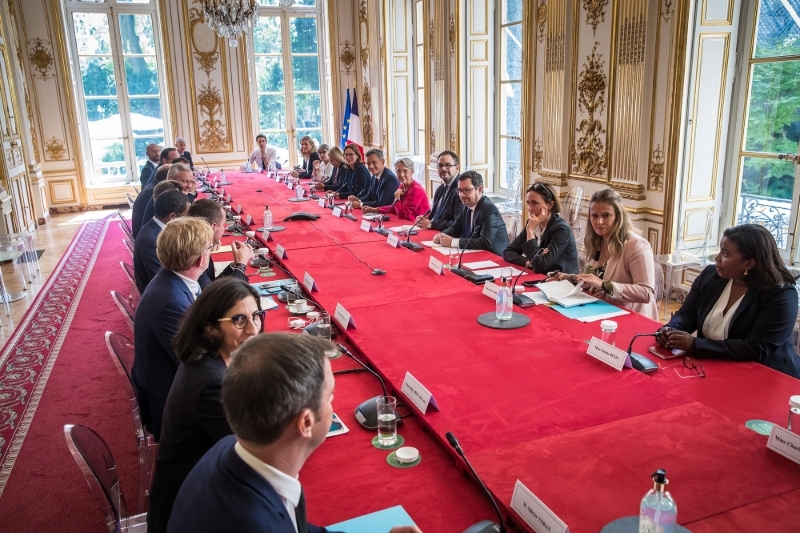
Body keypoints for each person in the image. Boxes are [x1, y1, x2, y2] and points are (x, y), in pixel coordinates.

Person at [168, 333, 421, 533]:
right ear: (306, 422)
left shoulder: (228, 447)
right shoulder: (254, 523)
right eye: (330, 397)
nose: (334, 403)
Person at [147, 279, 264, 533]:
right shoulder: (210, 384)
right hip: (187, 515)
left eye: (256, 316)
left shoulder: (208, 359)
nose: (254, 329)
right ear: (211, 330)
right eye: (239, 320)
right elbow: (257, 450)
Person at [658, 224, 800, 378]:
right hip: (712, 367)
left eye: (725, 254)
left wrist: (695, 344)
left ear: (749, 263)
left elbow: (756, 347)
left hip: (765, 375)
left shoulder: (781, 295)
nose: (717, 258)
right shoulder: (711, 275)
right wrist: (671, 330)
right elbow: (687, 315)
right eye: (720, 250)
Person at [132, 217, 215, 442]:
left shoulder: (173, 281)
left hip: (170, 383)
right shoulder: (171, 301)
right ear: (201, 258)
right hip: (170, 407)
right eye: (210, 247)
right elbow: (196, 362)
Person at [551, 188, 658, 320]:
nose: (599, 221)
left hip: (631, 318)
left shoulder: (637, 245)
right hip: (601, 311)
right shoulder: (595, 241)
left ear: (618, 216)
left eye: (606, 215)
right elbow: (595, 280)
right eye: (594, 216)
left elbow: (646, 293)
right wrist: (572, 278)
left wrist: (602, 284)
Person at [503, 182, 579, 274]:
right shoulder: (532, 223)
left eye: (534, 203)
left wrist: (530, 231)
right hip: (543, 279)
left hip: (562, 283)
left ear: (550, 205)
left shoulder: (561, 229)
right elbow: (508, 252)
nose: (530, 208)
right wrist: (529, 262)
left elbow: (540, 266)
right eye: (528, 203)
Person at [433, 171, 509, 255]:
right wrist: (443, 235)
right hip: (473, 253)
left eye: (467, 190)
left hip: (494, 258)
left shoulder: (488, 209)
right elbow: (456, 228)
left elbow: (485, 242)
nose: (461, 195)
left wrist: (453, 242)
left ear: (479, 189)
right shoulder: (465, 205)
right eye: (459, 191)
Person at [134, 189, 191, 293]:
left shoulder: (153, 227)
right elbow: (163, 282)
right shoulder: (153, 241)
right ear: (172, 216)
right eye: (185, 216)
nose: (187, 220)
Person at [188, 199, 253, 289]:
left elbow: (212, 286)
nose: (224, 229)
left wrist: (235, 265)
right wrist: (241, 265)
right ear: (213, 226)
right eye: (223, 225)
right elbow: (217, 298)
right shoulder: (196, 252)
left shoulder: (198, 242)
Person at [363, 158, 429, 221]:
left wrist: (397, 197)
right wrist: (375, 209)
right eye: (398, 171)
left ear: (412, 171)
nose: (401, 174)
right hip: (405, 223)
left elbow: (402, 214)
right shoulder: (401, 186)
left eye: (405, 171)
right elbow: (395, 207)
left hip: (417, 226)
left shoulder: (416, 190)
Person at [415, 151, 462, 231]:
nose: (443, 169)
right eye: (440, 165)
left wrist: (431, 224)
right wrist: (424, 220)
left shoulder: (461, 190)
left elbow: (457, 224)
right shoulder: (439, 189)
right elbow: (437, 216)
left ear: (457, 168)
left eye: (447, 165)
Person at [142, 163, 196, 228]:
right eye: (185, 181)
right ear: (171, 178)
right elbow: (184, 209)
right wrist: (191, 194)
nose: (189, 186)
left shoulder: (165, 189)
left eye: (191, 182)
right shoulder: (165, 193)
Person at [132, 164, 171, 238]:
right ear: (167, 177)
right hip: (146, 236)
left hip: (144, 232)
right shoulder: (156, 191)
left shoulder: (153, 186)